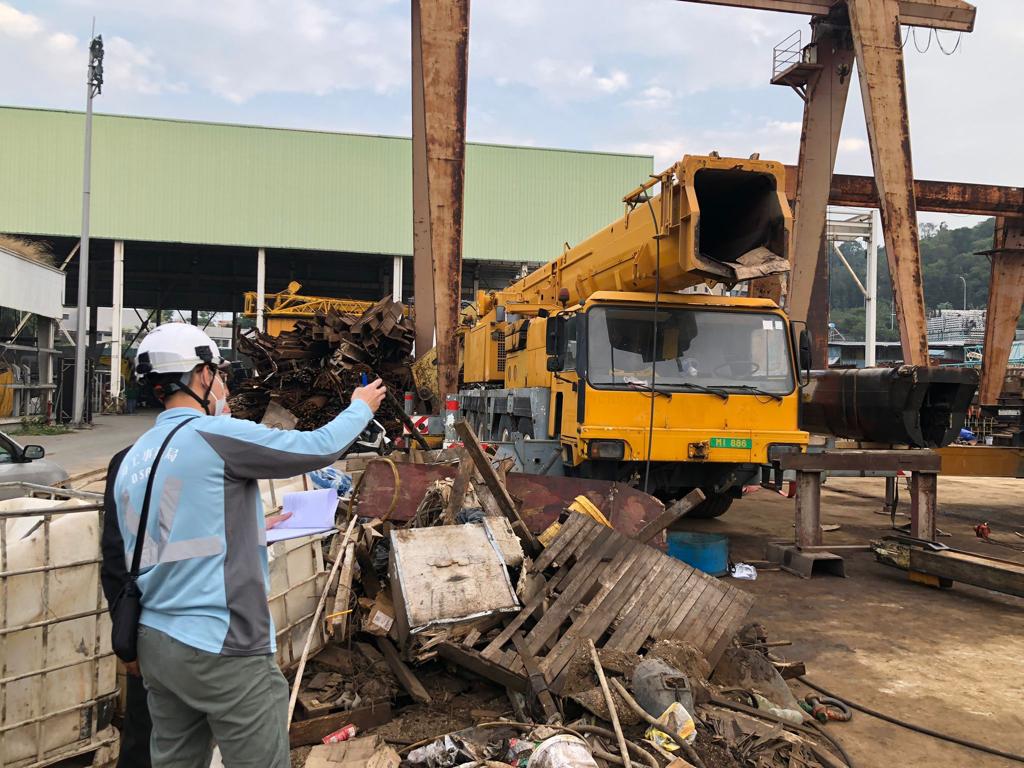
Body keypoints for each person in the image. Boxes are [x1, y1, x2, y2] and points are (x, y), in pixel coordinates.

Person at [103, 323, 385, 768]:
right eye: (219, 374)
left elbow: (166, 537)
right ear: (200, 375)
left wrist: (252, 525)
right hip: (220, 644)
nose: (224, 385)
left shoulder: (136, 456)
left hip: (156, 641)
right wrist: (360, 408)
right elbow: (318, 448)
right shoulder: (216, 436)